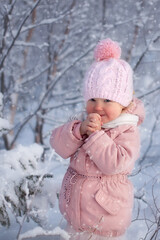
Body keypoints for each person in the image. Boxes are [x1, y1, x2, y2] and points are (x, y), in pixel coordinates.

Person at [50, 38, 145, 239]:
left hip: (105, 218)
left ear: (123, 102)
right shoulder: (84, 123)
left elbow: (116, 163)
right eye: (92, 99)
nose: (98, 106)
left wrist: (96, 136)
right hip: (74, 215)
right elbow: (58, 145)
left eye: (107, 100)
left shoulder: (127, 129)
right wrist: (78, 131)